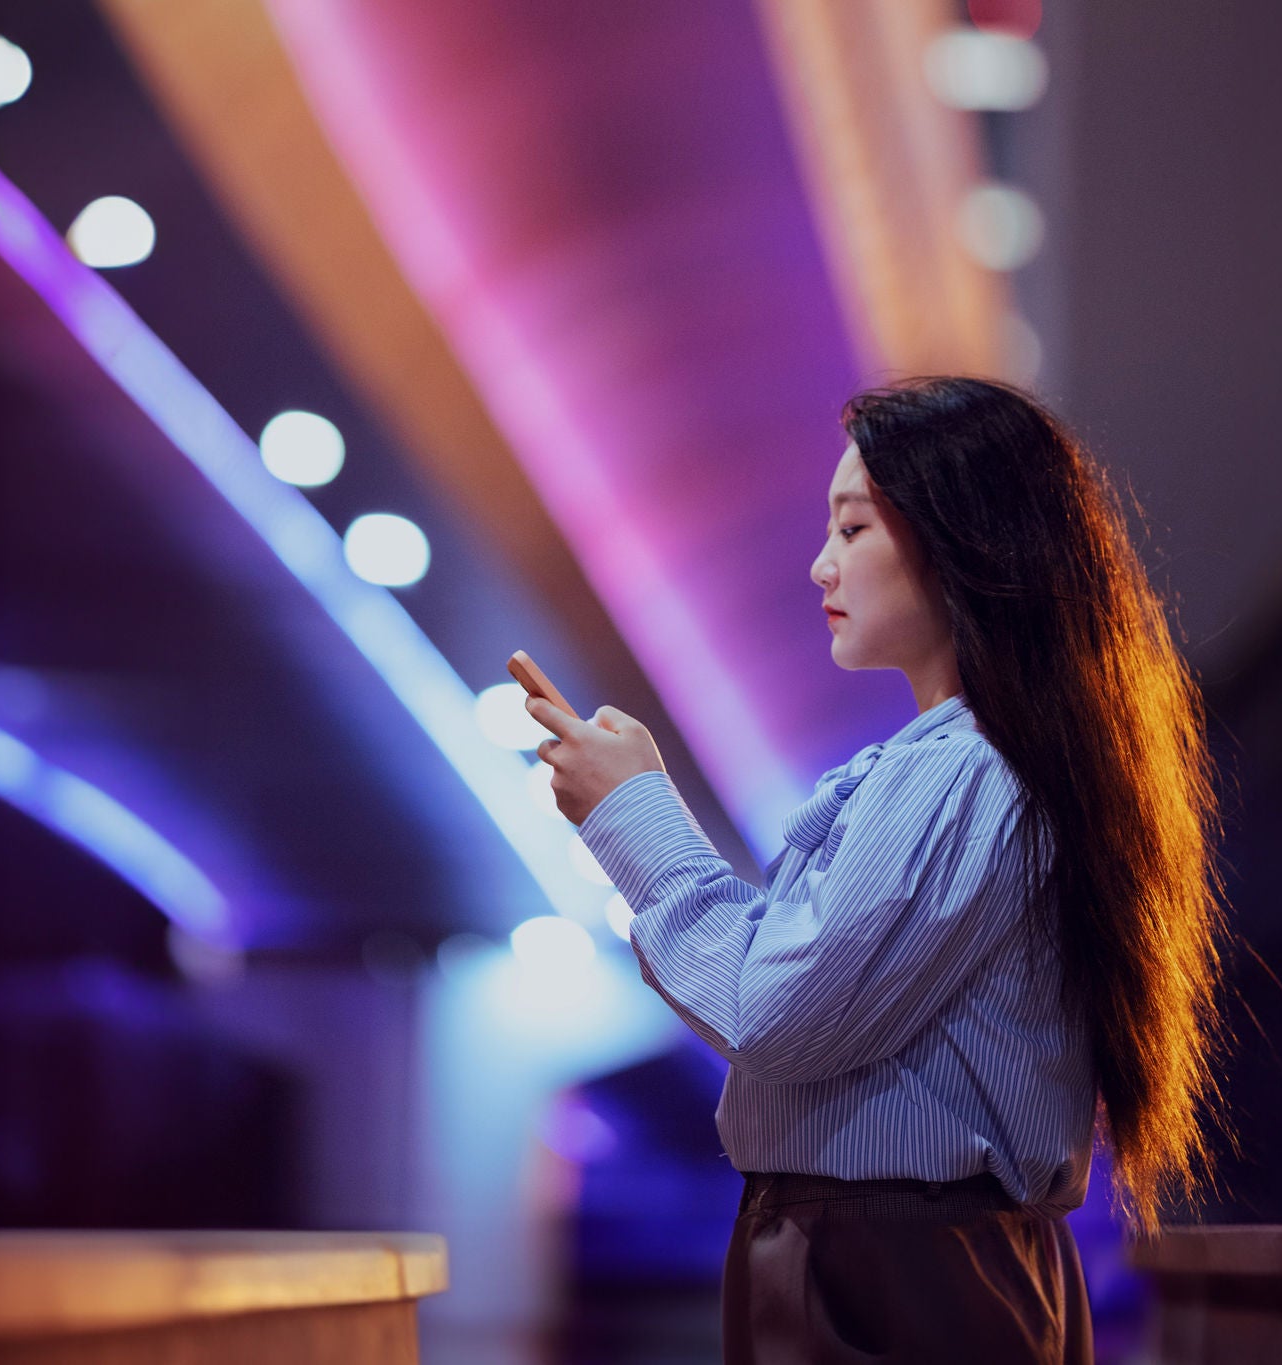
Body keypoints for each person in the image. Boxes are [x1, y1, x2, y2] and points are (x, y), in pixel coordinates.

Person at [528, 375, 1238, 1364]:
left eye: (853, 530)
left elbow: (772, 1015)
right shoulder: (1000, 758)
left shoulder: (959, 767)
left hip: (890, 1263)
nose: (820, 566)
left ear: (964, 541)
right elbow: (793, 991)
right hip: (926, 1257)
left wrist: (633, 815)